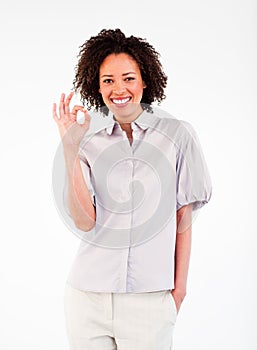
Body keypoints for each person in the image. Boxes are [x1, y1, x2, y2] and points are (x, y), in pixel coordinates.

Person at [52, 28, 212, 350]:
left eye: (128, 78)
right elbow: (85, 221)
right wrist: (70, 146)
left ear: (144, 81)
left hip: (149, 301)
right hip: (87, 297)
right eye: (108, 80)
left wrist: (178, 291)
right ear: (97, 87)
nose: (119, 89)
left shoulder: (177, 136)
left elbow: (184, 217)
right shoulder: (89, 142)